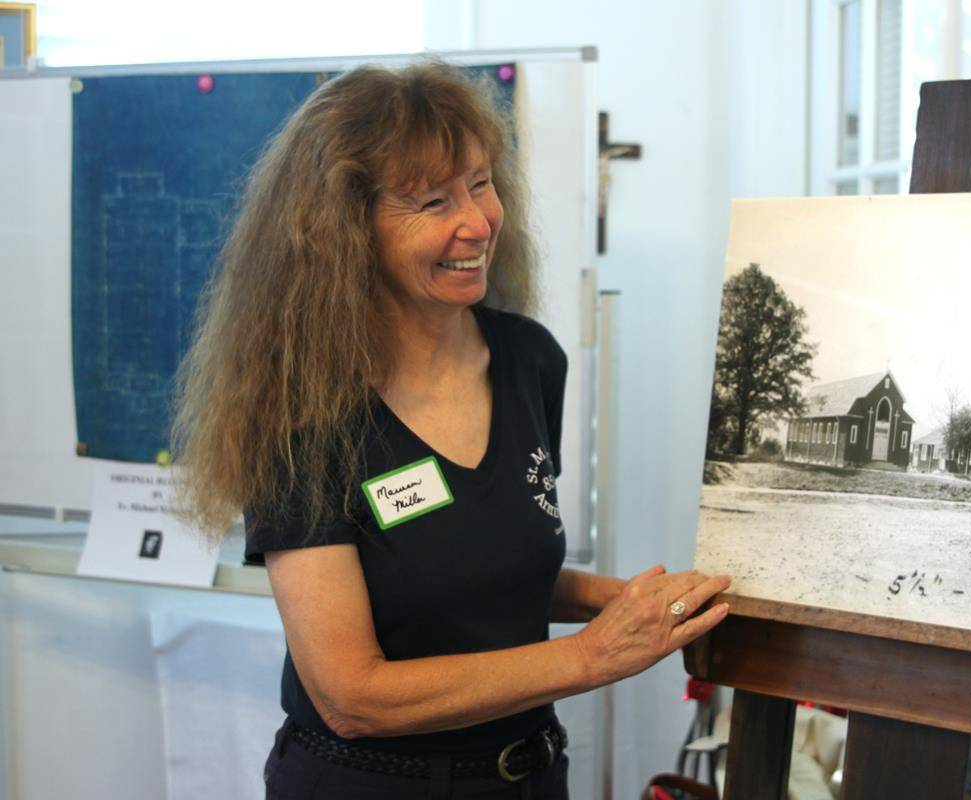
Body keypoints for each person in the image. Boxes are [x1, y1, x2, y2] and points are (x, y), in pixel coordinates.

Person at [172, 61, 731, 799]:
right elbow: (352, 697)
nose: (477, 222)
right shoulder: (302, 413)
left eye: (481, 183)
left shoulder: (529, 359)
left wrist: (628, 604)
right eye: (433, 201)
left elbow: (477, 564)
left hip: (531, 775)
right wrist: (592, 657)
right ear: (346, 231)